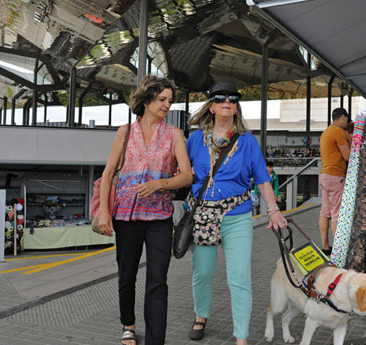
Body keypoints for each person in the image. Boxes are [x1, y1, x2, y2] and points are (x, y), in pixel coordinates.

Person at [186, 81, 288, 345]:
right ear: (211, 106)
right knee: (203, 272)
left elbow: (262, 179)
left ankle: (240, 335)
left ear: (236, 107)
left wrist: (273, 210)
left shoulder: (247, 141)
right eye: (220, 99)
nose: (227, 102)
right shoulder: (196, 138)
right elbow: (182, 173)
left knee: (240, 276)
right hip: (204, 215)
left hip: (237, 214)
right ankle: (201, 315)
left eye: (232, 99)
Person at [97, 75, 192, 345]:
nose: (167, 105)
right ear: (147, 100)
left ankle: (155, 341)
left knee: (157, 281)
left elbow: (186, 176)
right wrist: (105, 213)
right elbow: (107, 175)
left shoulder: (174, 134)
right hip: (126, 218)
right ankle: (128, 323)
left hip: (159, 219)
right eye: (162, 99)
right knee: (127, 277)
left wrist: (161, 183)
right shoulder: (124, 132)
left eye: (170, 101)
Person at [318, 108, 350, 255]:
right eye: (346, 120)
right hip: (335, 176)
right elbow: (348, 156)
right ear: (342, 117)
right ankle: (338, 250)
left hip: (324, 175)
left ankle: (325, 246)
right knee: (336, 214)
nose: (346, 123)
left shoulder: (326, 132)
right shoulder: (338, 131)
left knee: (325, 212)